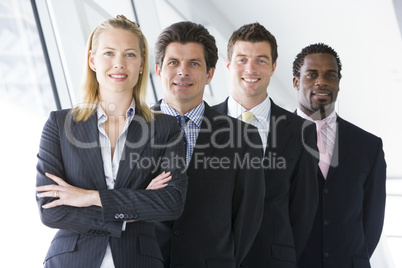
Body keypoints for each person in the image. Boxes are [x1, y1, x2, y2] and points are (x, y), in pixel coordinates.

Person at [35, 15, 187, 268]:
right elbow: (50, 209)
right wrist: (135, 207)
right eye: (108, 53)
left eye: (129, 55)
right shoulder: (59, 125)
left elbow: (170, 204)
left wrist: (92, 197)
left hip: (139, 260)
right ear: (93, 60)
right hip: (72, 260)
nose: (119, 64)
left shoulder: (165, 128)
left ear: (141, 64)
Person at [152, 21, 265, 268]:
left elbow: (248, 218)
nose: (183, 72)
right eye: (173, 63)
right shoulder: (129, 130)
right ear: (159, 70)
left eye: (194, 63)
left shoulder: (243, 138)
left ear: (210, 74)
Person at [213, 22, 319, 267]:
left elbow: (303, 211)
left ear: (273, 67)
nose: (250, 68)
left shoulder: (301, 131)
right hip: (213, 259)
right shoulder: (203, 124)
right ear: (228, 65)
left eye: (261, 60)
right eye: (241, 59)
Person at [293, 43, 386, 268]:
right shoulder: (273, 139)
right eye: (312, 74)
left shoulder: (368, 146)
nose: (321, 82)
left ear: (338, 83)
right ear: (296, 82)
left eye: (330, 75)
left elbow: (372, 222)